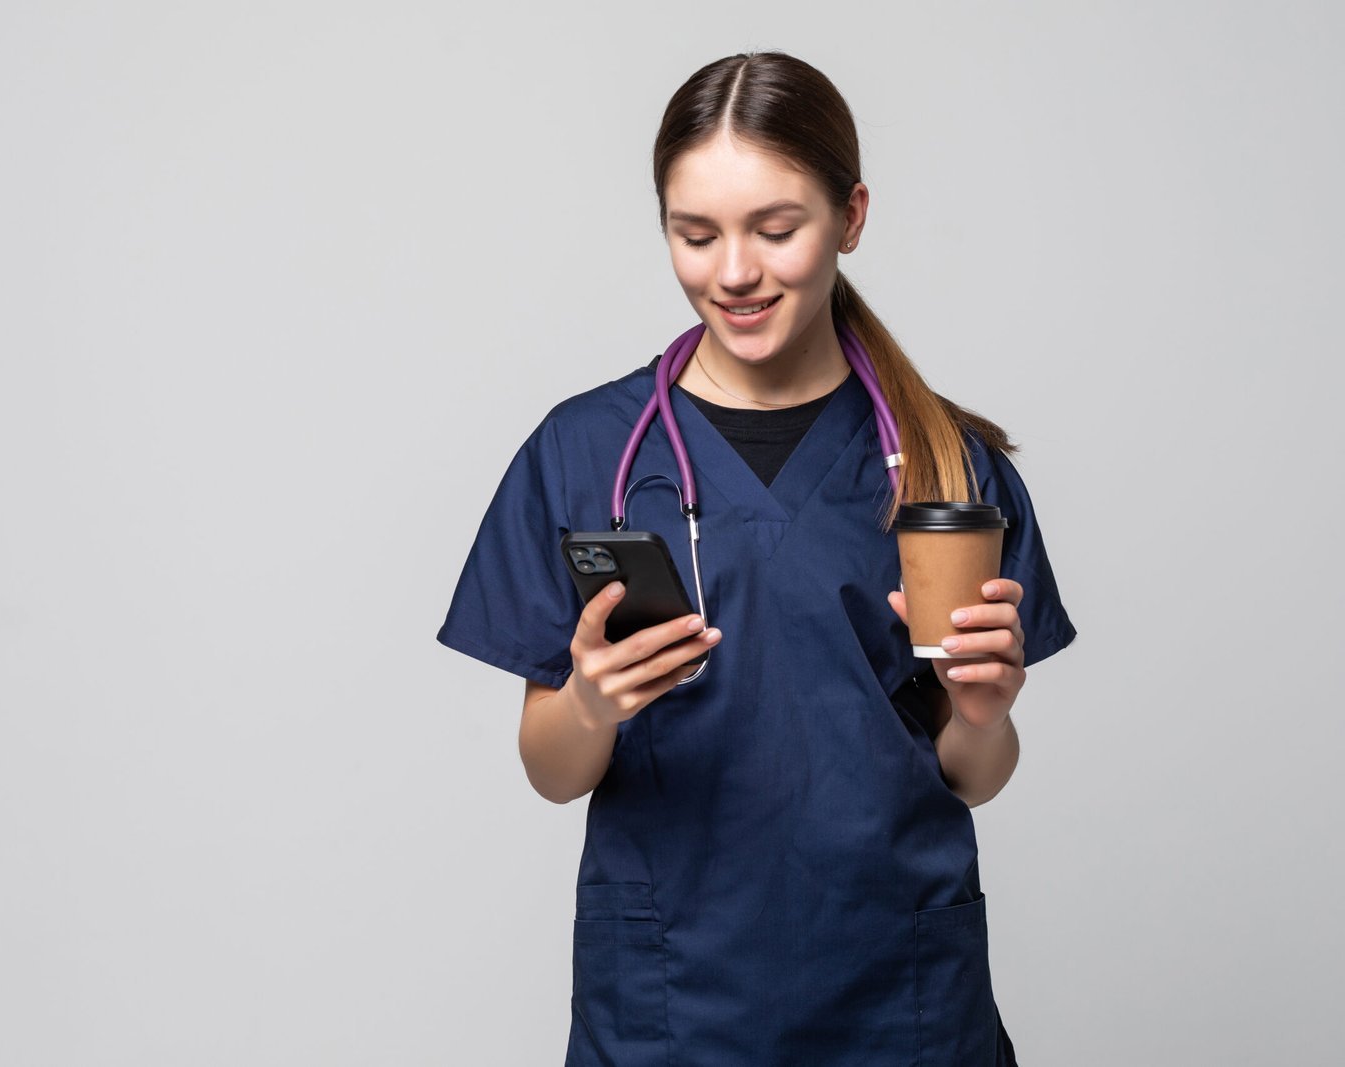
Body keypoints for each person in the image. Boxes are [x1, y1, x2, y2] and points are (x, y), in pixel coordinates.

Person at [435, 50, 1076, 1066]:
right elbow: (550, 769)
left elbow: (974, 773)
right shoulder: (585, 455)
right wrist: (591, 705)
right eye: (695, 235)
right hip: (672, 1006)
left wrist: (985, 716)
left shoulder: (948, 467)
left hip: (898, 1002)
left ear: (850, 216)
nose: (733, 271)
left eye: (776, 230)